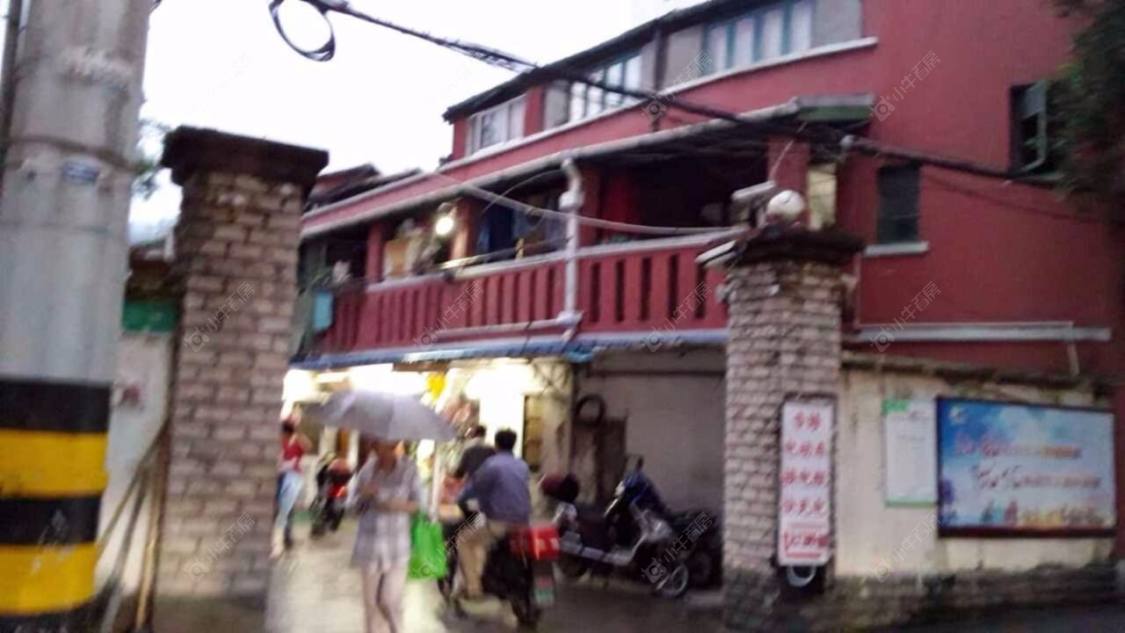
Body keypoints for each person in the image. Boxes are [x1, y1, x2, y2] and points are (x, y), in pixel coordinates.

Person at [352, 439, 424, 633]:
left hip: (397, 546)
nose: (384, 453)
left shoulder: (409, 470)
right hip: (369, 544)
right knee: (370, 604)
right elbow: (353, 508)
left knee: (389, 601)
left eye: (390, 447)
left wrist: (398, 505)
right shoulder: (367, 471)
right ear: (374, 447)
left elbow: (419, 504)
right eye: (379, 447)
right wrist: (364, 494)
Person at [456, 428, 531, 599]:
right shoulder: (522, 465)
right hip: (523, 522)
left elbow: (475, 487)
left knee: (464, 541)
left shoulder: (491, 465)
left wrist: (460, 498)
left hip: (500, 522)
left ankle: (473, 588)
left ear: (496, 445)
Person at [276, 418, 312, 553]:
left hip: (292, 477)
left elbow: (308, 447)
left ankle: (287, 536)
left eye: (284, 433)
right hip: (279, 476)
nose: (283, 435)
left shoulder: (296, 442)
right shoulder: (280, 442)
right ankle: (283, 535)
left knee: (287, 508)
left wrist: (298, 432)